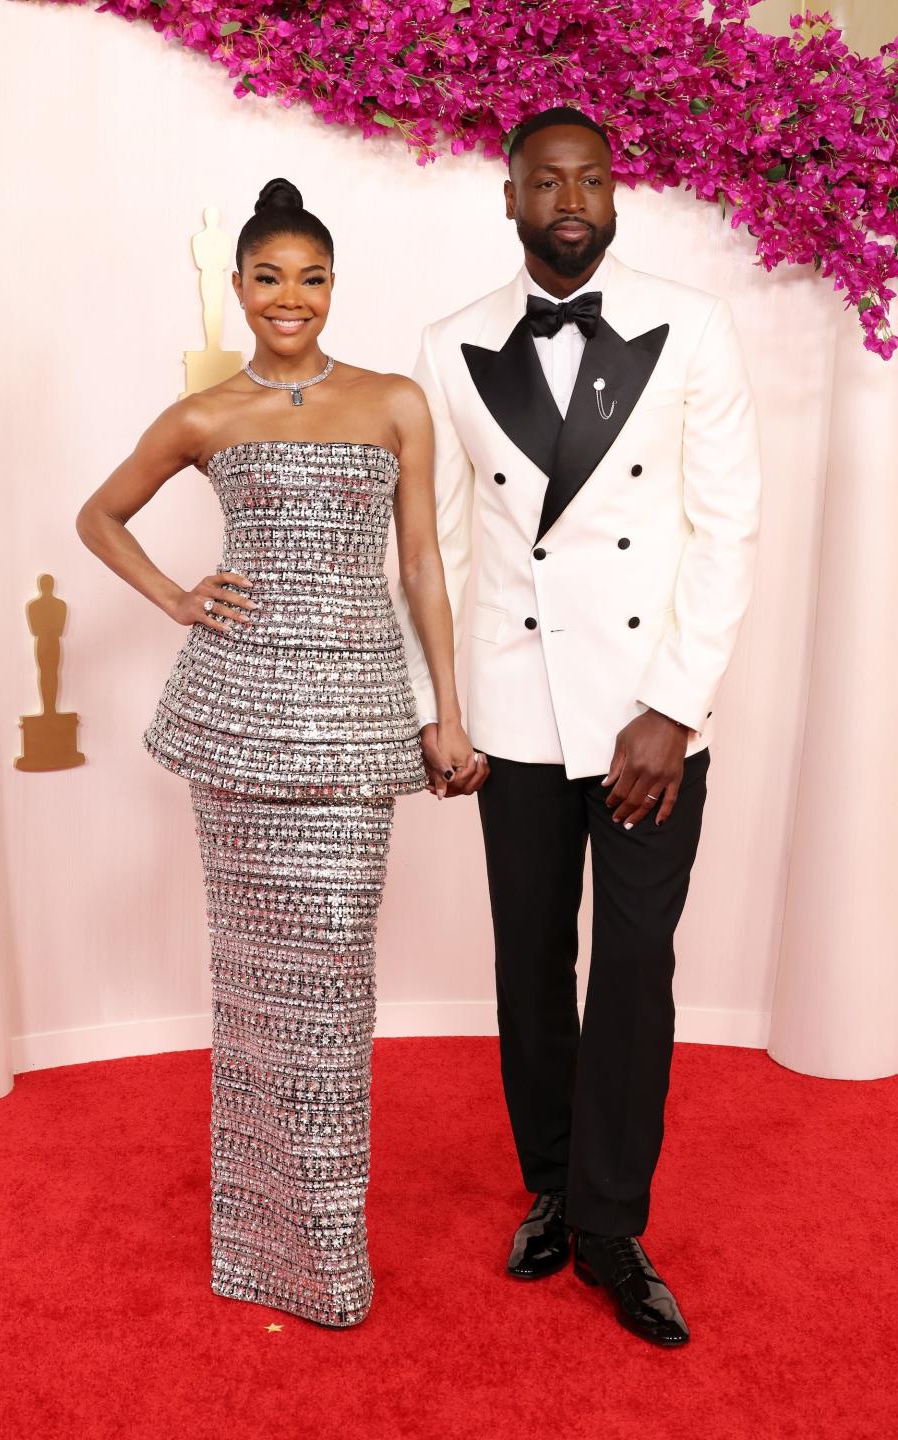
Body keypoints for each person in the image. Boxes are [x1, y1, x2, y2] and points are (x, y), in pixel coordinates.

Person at [76, 178, 475, 1328]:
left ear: (334, 286)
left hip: (354, 722)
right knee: (252, 983)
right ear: (239, 288)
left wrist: (446, 713)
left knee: (334, 985)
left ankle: (328, 1256)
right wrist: (177, 598)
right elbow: (100, 516)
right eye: (267, 277)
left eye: (310, 277)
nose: (289, 297)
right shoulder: (204, 419)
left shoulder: (396, 401)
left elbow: (425, 569)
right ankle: (260, 1252)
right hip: (238, 724)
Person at [394, 107, 761, 1347]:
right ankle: (551, 1184)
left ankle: (611, 1222)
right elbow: (437, 546)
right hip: (512, 704)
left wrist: (673, 705)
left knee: (635, 970)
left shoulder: (693, 325)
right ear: (508, 200)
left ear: (616, 195)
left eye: (590, 178)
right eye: (545, 179)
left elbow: (726, 529)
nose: (570, 197)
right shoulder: (449, 346)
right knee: (530, 963)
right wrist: (442, 708)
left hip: (651, 717)